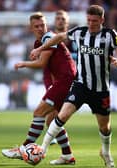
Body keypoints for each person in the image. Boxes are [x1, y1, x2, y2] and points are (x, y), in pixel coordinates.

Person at [30, 5, 117, 168]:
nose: (90, 24)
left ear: (102, 20)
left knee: (105, 127)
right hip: (80, 85)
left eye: (94, 21)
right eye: (88, 20)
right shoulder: (80, 32)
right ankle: (42, 149)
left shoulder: (110, 35)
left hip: (101, 89)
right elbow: (58, 37)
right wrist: (40, 48)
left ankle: (105, 151)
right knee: (62, 115)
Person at [2, 12, 76, 165]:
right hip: (64, 82)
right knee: (51, 121)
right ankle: (67, 155)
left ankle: (23, 149)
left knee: (38, 113)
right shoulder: (39, 43)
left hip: (66, 81)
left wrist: (23, 63)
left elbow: (42, 63)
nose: (41, 28)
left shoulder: (49, 38)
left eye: (42, 25)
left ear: (46, 25)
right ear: (31, 29)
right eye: (36, 26)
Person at [46, 10, 77, 145]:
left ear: (67, 22)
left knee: (52, 116)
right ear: (54, 21)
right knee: (51, 116)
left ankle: (62, 148)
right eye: (58, 18)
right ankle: (64, 150)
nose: (60, 21)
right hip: (52, 78)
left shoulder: (74, 39)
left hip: (70, 80)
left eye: (63, 19)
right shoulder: (50, 38)